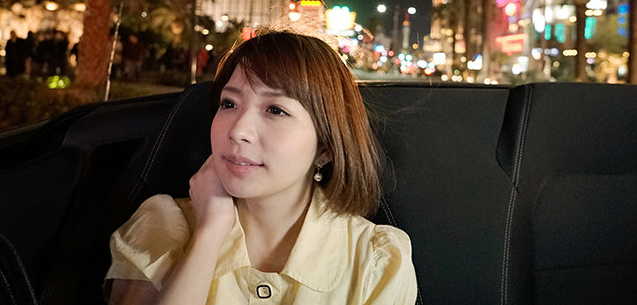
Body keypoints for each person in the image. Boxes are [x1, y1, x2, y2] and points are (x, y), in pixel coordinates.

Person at [105, 30, 417, 304]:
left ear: (326, 146)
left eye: (275, 110)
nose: (239, 130)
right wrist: (209, 232)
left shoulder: (376, 260)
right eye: (229, 104)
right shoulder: (163, 226)